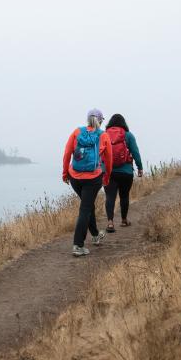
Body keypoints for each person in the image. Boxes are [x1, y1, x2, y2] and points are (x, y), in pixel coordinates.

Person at [63, 109, 113, 257]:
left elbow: (67, 153)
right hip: (92, 179)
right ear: (101, 121)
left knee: (87, 205)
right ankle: (78, 245)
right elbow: (108, 160)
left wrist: (65, 173)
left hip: (75, 177)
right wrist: (107, 177)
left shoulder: (77, 132)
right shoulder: (103, 135)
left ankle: (96, 235)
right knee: (85, 209)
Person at [104, 114, 143, 233]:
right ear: (123, 123)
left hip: (109, 172)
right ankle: (124, 220)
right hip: (126, 172)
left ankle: (110, 223)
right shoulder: (128, 135)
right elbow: (135, 152)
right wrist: (139, 167)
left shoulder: (104, 135)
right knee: (124, 196)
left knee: (110, 196)